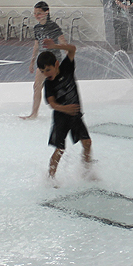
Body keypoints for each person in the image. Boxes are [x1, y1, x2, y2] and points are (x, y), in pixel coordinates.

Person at [38, 39, 93, 180]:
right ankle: (51, 177)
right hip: (61, 118)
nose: (46, 73)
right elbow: (52, 104)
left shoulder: (66, 68)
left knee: (87, 143)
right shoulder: (48, 84)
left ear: (56, 64)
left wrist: (55, 46)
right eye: (43, 71)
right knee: (60, 149)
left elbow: (72, 49)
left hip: (75, 115)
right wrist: (65, 108)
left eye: (48, 69)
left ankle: (87, 170)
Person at [21, 1, 65, 120]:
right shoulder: (37, 28)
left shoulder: (53, 27)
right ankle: (34, 114)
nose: (36, 16)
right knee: (37, 86)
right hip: (42, 62)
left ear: (47, 12)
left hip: (54, 61)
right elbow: (36, 46)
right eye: (35, 13)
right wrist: (32, 62)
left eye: (39, 13)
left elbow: (63, 43)